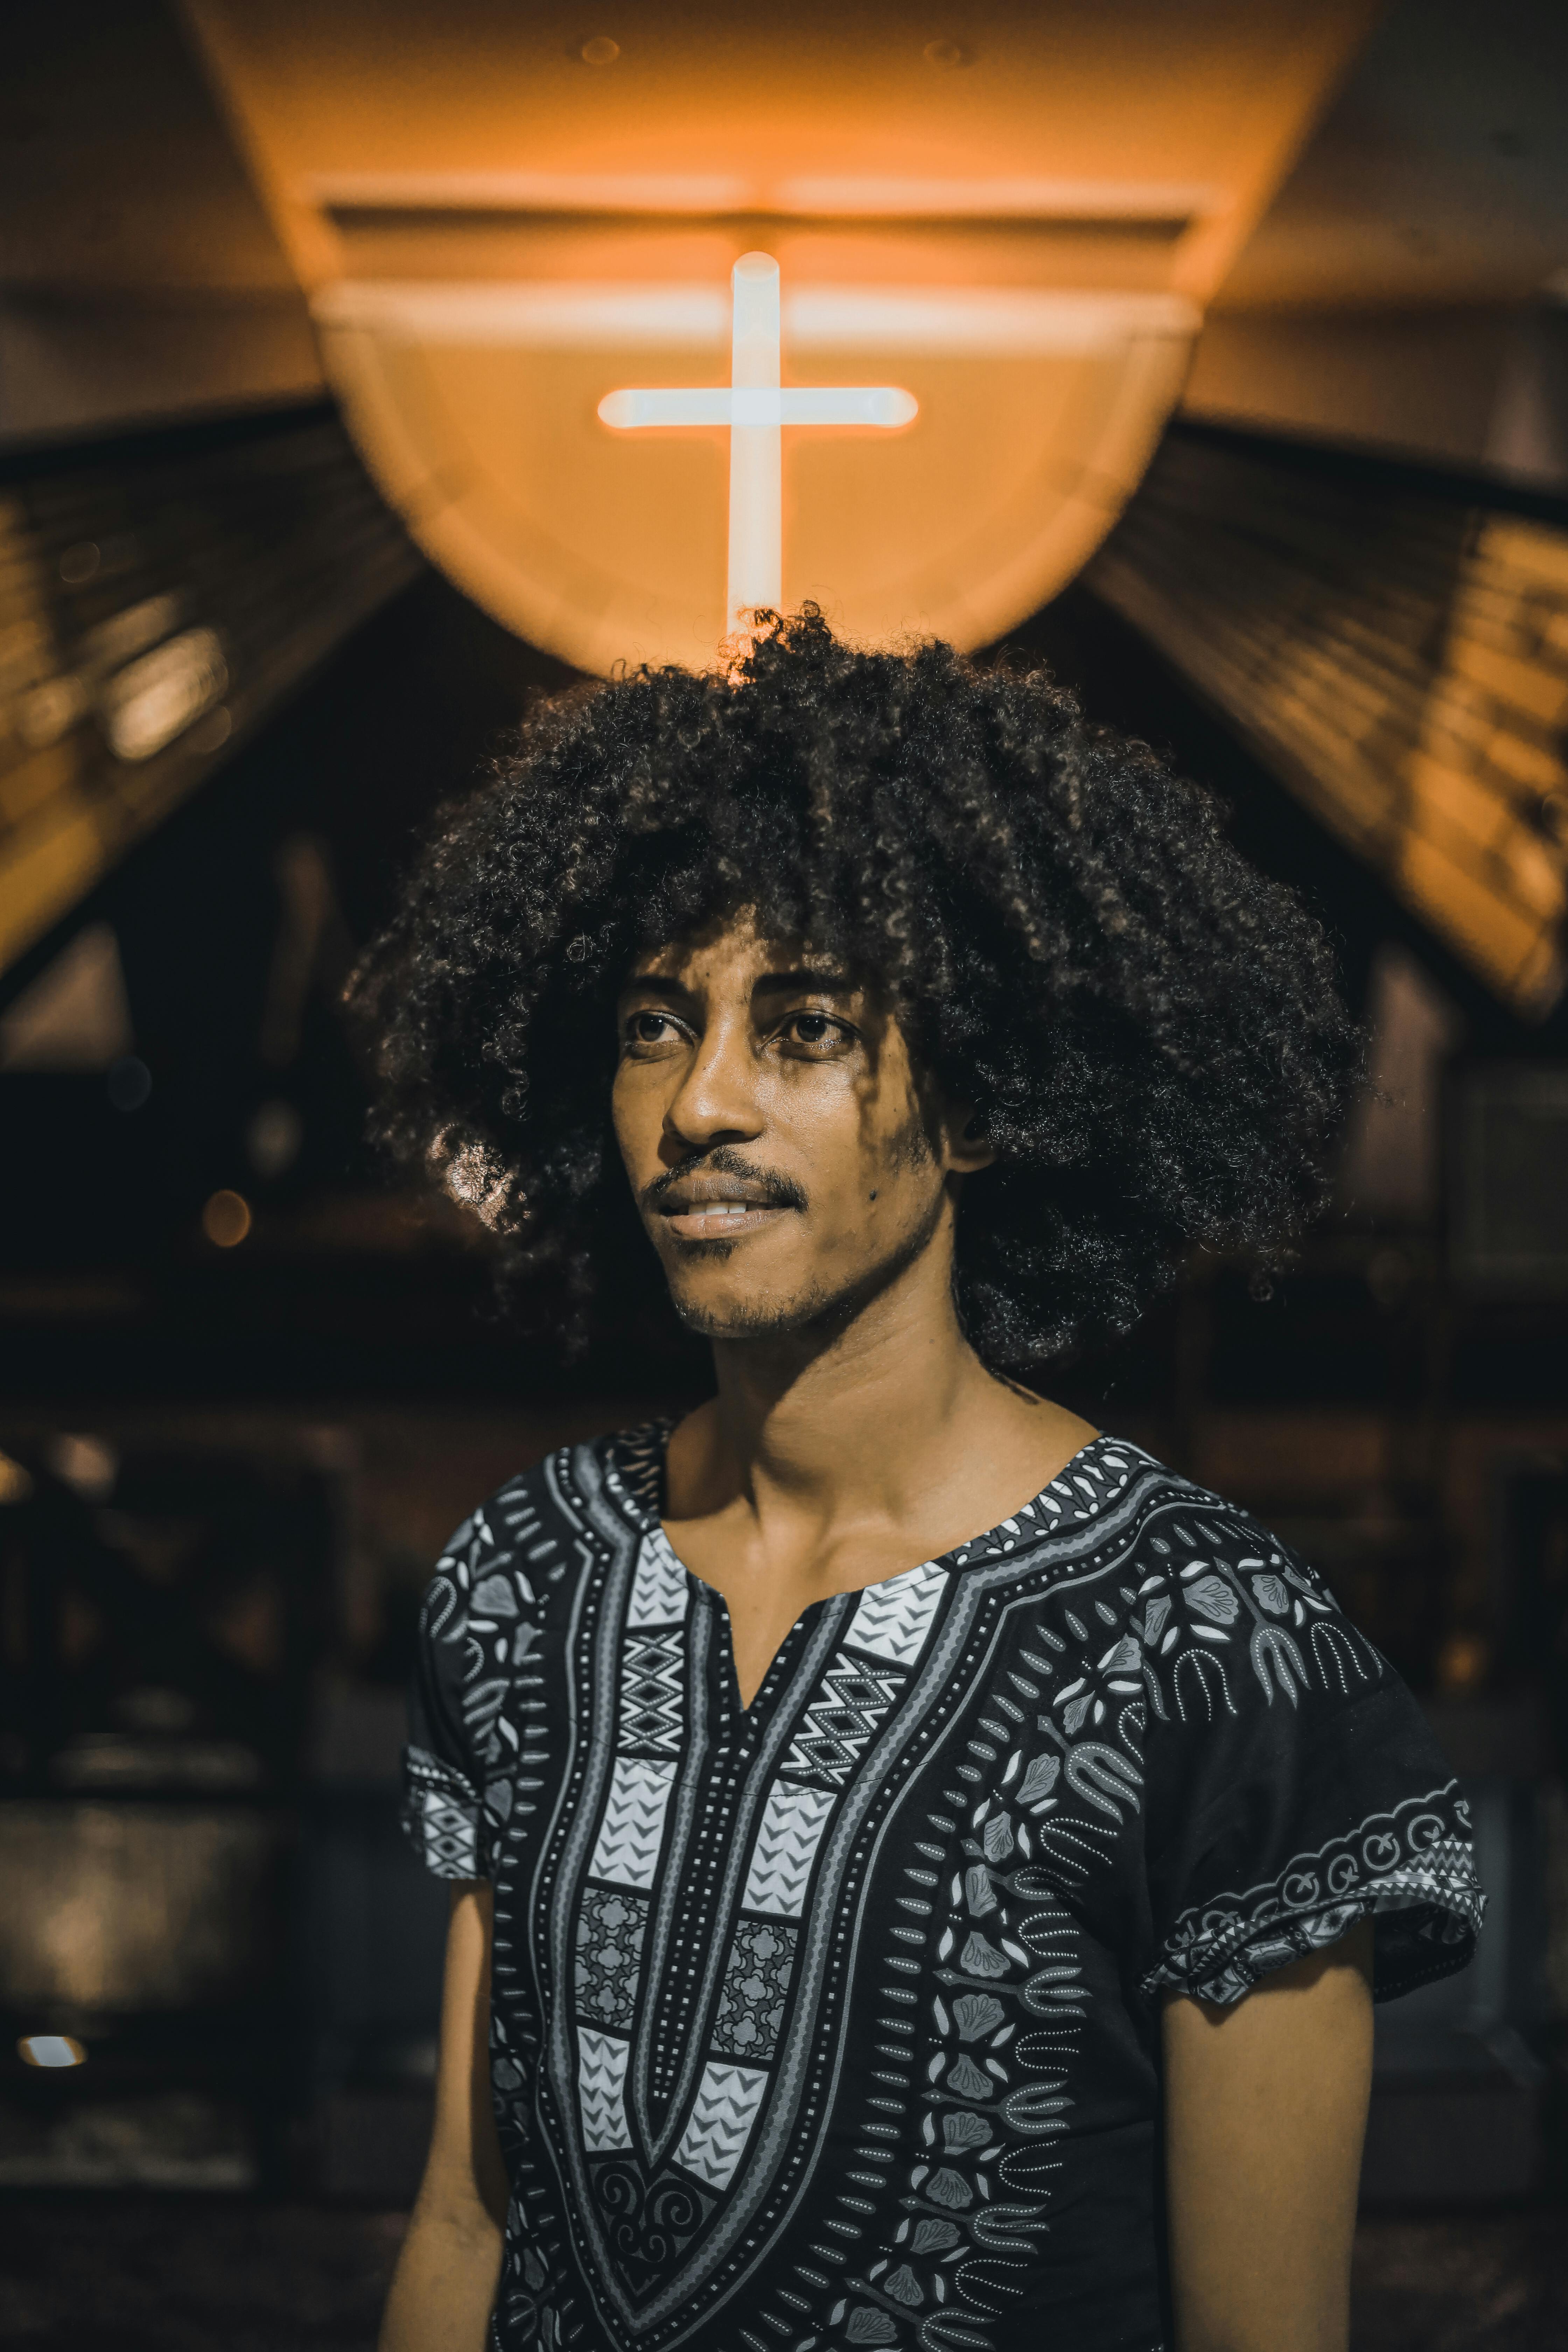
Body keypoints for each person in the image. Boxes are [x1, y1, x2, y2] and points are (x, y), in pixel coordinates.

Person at [355, 612, 1482, 2352]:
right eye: (656, 1026)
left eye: (800, 1029)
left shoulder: (1214, 1649)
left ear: (974, 1106)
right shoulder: (530, 1577)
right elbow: (465, 2218)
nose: (699, 1105)